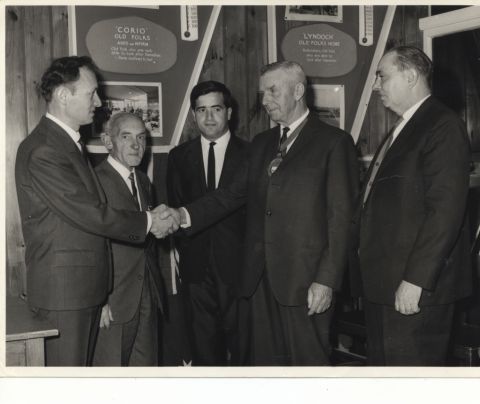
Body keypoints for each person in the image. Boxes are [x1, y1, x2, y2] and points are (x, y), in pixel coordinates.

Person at [162, 61, 358, 365]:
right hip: (258, 282)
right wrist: (181, 215)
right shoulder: (263, 144)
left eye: (272, 91)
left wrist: (327, 280)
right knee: (267, 369)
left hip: (305, 282)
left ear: (298, 90)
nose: (265, 100)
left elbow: (341, 218)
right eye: (262, 93)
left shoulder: (334, 142)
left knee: (308, 366)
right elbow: (230, 195)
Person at [15, 56, 176, 366]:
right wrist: (149, 221)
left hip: (81, 291)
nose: (99, 101)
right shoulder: (45, 149)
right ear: (63, 95)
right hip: (66, 294)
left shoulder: (67, 144)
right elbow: (91, 213)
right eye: (91, 93)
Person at [349, 46, 472, 365]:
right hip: (384, 285)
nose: (376, 85)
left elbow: (444, 212)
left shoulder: (442, 125)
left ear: (411, 76)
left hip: (414, 288)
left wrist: (416, 280)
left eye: (382, 76)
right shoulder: (405, 126)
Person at [167, 81, 248, 365]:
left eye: (216, 109)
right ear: (193, 115)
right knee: (203, 351)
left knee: (243, 349)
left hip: (239, 269)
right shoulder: (179, 157)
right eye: (201, 110)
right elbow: (176, 209)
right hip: (196, 270)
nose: (209, 117)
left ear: (229, 112)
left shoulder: (251, 154)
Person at [92, 113, 166, 366]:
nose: (136, 145)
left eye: (141, 138)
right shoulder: (94, 182)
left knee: (146, 376)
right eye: (126, 137)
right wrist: (99, 299)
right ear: (108, 141)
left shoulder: (143, 181)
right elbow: (93, 244)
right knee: (111, 376)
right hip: (113, 301)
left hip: (147, 295)